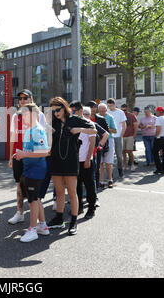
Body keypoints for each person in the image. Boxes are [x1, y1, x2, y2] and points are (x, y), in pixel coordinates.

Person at [46, 97, 96, 235]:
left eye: (58, 109)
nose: (56, 113)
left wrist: (78, 129)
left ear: (64, 107)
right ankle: (59, 218)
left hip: (71, 161)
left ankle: (73, 221)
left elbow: (94, 130)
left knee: (72, 193)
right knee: (60, 192)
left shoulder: (74, 119)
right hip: (56, 160)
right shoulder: (53, 121)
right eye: (53, 110)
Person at [8, 89, 47, 225]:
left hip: (32, 157)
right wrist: (10, 157)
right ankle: (20, 212)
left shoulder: (39, 115)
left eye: (25, 98)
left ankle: (38, 222)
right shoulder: (15, 116)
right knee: (19, 185)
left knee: (33, 191)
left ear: (31, 99)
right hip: (19, 155)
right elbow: (13, 137)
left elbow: (43, 137)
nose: (22, 101)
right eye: (20, 99)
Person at [13, 103, 50, 243]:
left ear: (34, 114)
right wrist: (20, 155)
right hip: (29, 169)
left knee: (33, 201)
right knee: (36, 199)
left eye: (25, 114)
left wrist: (23, 154)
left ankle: (32, 229)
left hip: (36, 170)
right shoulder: (29, 130)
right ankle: (42, 226)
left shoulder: (37, 130)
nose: (23, 117)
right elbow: (29, 150)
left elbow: (44, 152)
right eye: (22, 115)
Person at [72, 104, 108, 219]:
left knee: (89, 185)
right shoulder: (72, 124)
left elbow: (92, 144)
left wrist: (88, 159)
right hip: (75, 161)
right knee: (77, 186)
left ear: (80, 111)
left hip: (86, 160)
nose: (73, 114)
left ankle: (91, 208)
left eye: (75, 111)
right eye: (72, 111)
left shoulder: (89, 124)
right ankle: (79, 207)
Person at [85, 101, 110, 194]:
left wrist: (100, 145)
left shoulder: (100, 119)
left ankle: (94, 191)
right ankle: (87, 190)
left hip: (96, 148)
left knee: (96, 168)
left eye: (95, 107)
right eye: (91, 107)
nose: (93, 109)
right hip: (85, 148)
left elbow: (106, 133)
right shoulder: (82, 120)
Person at [98, 103, 117, 188]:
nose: (101, 113)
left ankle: (110, 180)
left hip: (109, 140)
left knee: (108, 163)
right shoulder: (96, 117)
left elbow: (115, 130)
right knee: (100, 162)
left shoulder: (110, 117)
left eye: (103, 111)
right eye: (100, 111)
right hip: (99, 140)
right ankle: (101, 181)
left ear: (106, 110)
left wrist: (106, 128)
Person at [106, 99, 127, 178]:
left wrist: (121, 134)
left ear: (114, 104)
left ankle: (120, 170)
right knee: (110, 155)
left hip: (118, 136)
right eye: (108, 105)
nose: (110, 107)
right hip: (109, 136)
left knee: (119, 155)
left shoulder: (120, 112)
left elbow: (124, 124)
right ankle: (110, 173)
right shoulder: (107, 112)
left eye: (111, 105)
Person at [120, 104, 138, 172]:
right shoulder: (120, 116)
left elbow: (135, 125)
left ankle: (132, 164)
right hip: (122, 136)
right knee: (123, 151)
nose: (123, 111)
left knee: (129, 151)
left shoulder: (131, 115)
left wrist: (134, 135)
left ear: (127, 109)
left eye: (124, 110)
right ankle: (124, 165)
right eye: (122, 110)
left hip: (130, 135)